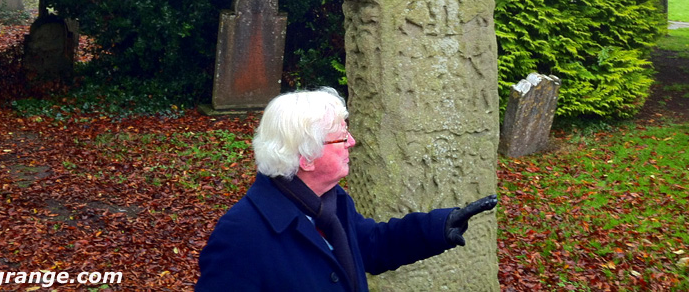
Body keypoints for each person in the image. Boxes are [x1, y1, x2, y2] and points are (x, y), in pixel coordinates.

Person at [195, 88, 497, 292]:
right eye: (341, 138)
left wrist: (438, 227)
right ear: (306, 157)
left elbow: (372, 245)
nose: (352, 142)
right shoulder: (241, 235)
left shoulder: (330, 202)